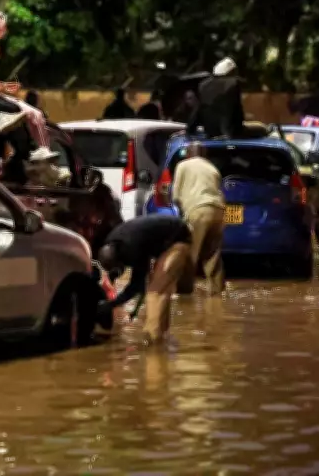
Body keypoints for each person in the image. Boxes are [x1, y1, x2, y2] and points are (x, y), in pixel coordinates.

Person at [97, 215, 193, 344]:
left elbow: (137, 285)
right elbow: (140, 284)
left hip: (178, 239)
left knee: (155, 293)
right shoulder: (113, 242)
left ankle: (153, 340)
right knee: (158, 288)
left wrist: (112, 304)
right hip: (166, 240)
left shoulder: (132, 247)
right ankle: (162, 335)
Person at [0, 8, 50, 149]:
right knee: (25, 113)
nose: (5, 29)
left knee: (36, 114)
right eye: (1, 24)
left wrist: (4, 86)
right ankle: (34, 148)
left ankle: (42, 149)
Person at [171, 142, 225, 295]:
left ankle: (184, 294)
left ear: (189, 154)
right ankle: (216, 293)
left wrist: (183, 214)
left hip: (198, 209)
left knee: (190, 253)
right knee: (213, 255)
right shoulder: (212, 168)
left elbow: (176, 196)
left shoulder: (183, 166)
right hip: (219, 210)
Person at [187, 57, 245, 138]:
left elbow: (198, 111)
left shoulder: (203, 85)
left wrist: (189, 131)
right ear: (231, 71)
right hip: (230, 133)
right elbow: (234, 110)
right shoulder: (233, 84)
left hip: (210, 132)